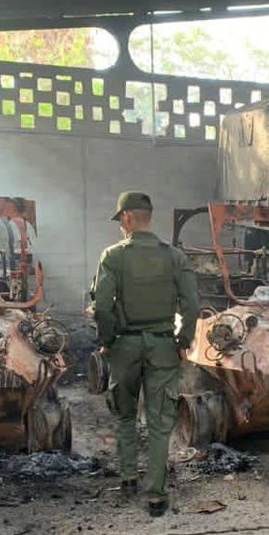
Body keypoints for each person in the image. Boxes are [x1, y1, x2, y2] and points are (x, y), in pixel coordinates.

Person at [92, 191, 199, 517]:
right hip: (163, 345)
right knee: (159, 422)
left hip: (124, 345)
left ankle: (127, 477)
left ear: (126, 218)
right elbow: (192, 305)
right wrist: (182, 341)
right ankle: (156, 496)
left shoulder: (113, 256)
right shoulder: (174, 257)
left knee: (124, 412)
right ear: (148, 217)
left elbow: (102, 307)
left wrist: (107, 340)